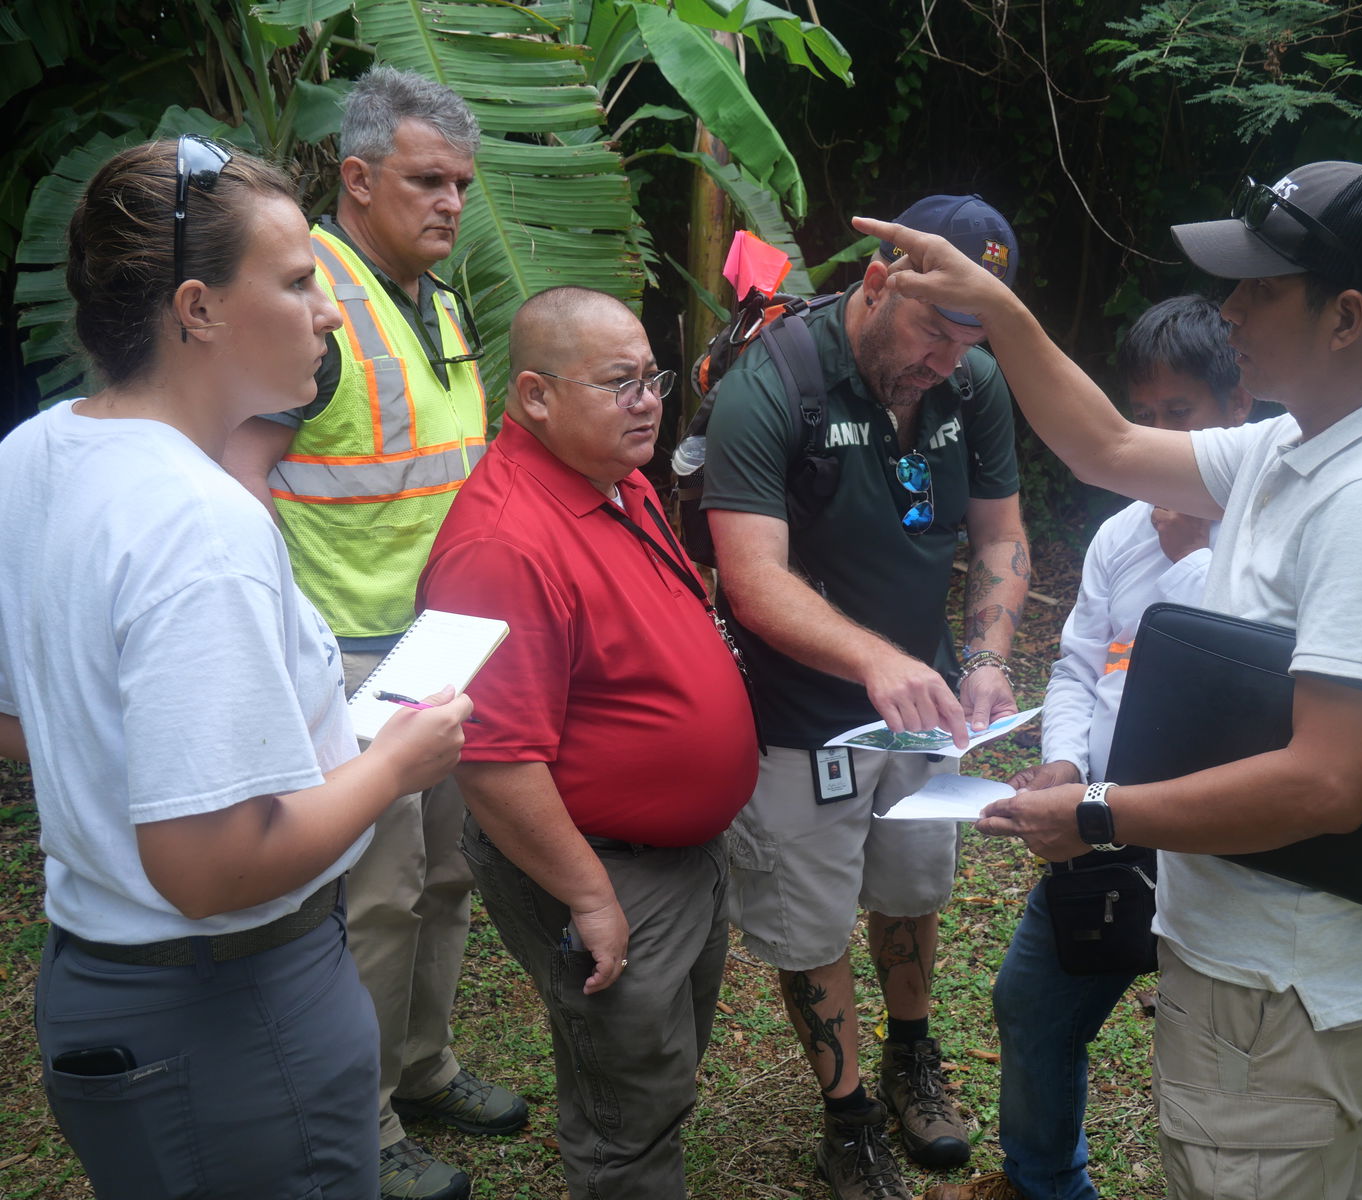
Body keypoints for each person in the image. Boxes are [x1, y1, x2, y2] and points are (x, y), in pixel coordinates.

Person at [861, 160, 1362, 1200]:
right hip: (1249, 969)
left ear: (1345, 318)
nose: (1229, 310)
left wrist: (1098, 813)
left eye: (1259, 290)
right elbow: (1104, 443)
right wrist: (998, 310)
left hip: (1287, 992)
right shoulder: (1298, 448)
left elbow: (1328, 782)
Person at [0, 137, 471, 1200]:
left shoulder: (34, 453)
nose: (330, 312)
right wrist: (395, 765)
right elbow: (210, 869)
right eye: (302, 281)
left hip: (98, 981)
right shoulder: (199, 521)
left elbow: (25, 712)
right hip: (232, 1009)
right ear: (199, 309)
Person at [222, 67, 518, 1200]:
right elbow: (237, 477)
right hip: (348, 653)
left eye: (460, 184)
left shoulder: (435, 297)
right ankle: (364, 1121)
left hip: (444, 641)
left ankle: (424, 1065)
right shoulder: (314, 305)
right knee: (377, 896)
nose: (451, 204)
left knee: (444, 875)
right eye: (426, 181)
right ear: (355, 177)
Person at [702, 195, 1032, 1200]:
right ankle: (846, 1116)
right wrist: (871, 662)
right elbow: (750, 580)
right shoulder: (773, 383)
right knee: (808, 922)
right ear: (879, 282)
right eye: (935, 331)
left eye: (972, 338)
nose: (948, 361)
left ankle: (910, 1054)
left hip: (924, 705)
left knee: (912, 882)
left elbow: (999, 537)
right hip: (802, 719)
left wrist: (982, 654)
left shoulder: (970, 388)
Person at [416, 287, 759, 1199]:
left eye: (650, 377)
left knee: (659, 1069)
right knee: (627, 1110)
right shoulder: (503, 544)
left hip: (673, 856)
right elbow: (492, 760)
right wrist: (589, 897)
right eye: (618, 383)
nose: (647, 400)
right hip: (606, 866)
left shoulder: (615, 478)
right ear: (534, 396)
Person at [926, 296, 1250, 1200]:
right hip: (1095, 828)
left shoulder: (1267, 545)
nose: (1151, 439)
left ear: (1238, 412)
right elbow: (1080, 664)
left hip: (1214, 841)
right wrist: (1067, 763)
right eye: (1138, 415)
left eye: (1176, 416)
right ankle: (1042, 1184)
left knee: (1208, 1059)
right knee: (1031, 1002)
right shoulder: (1121, 535)